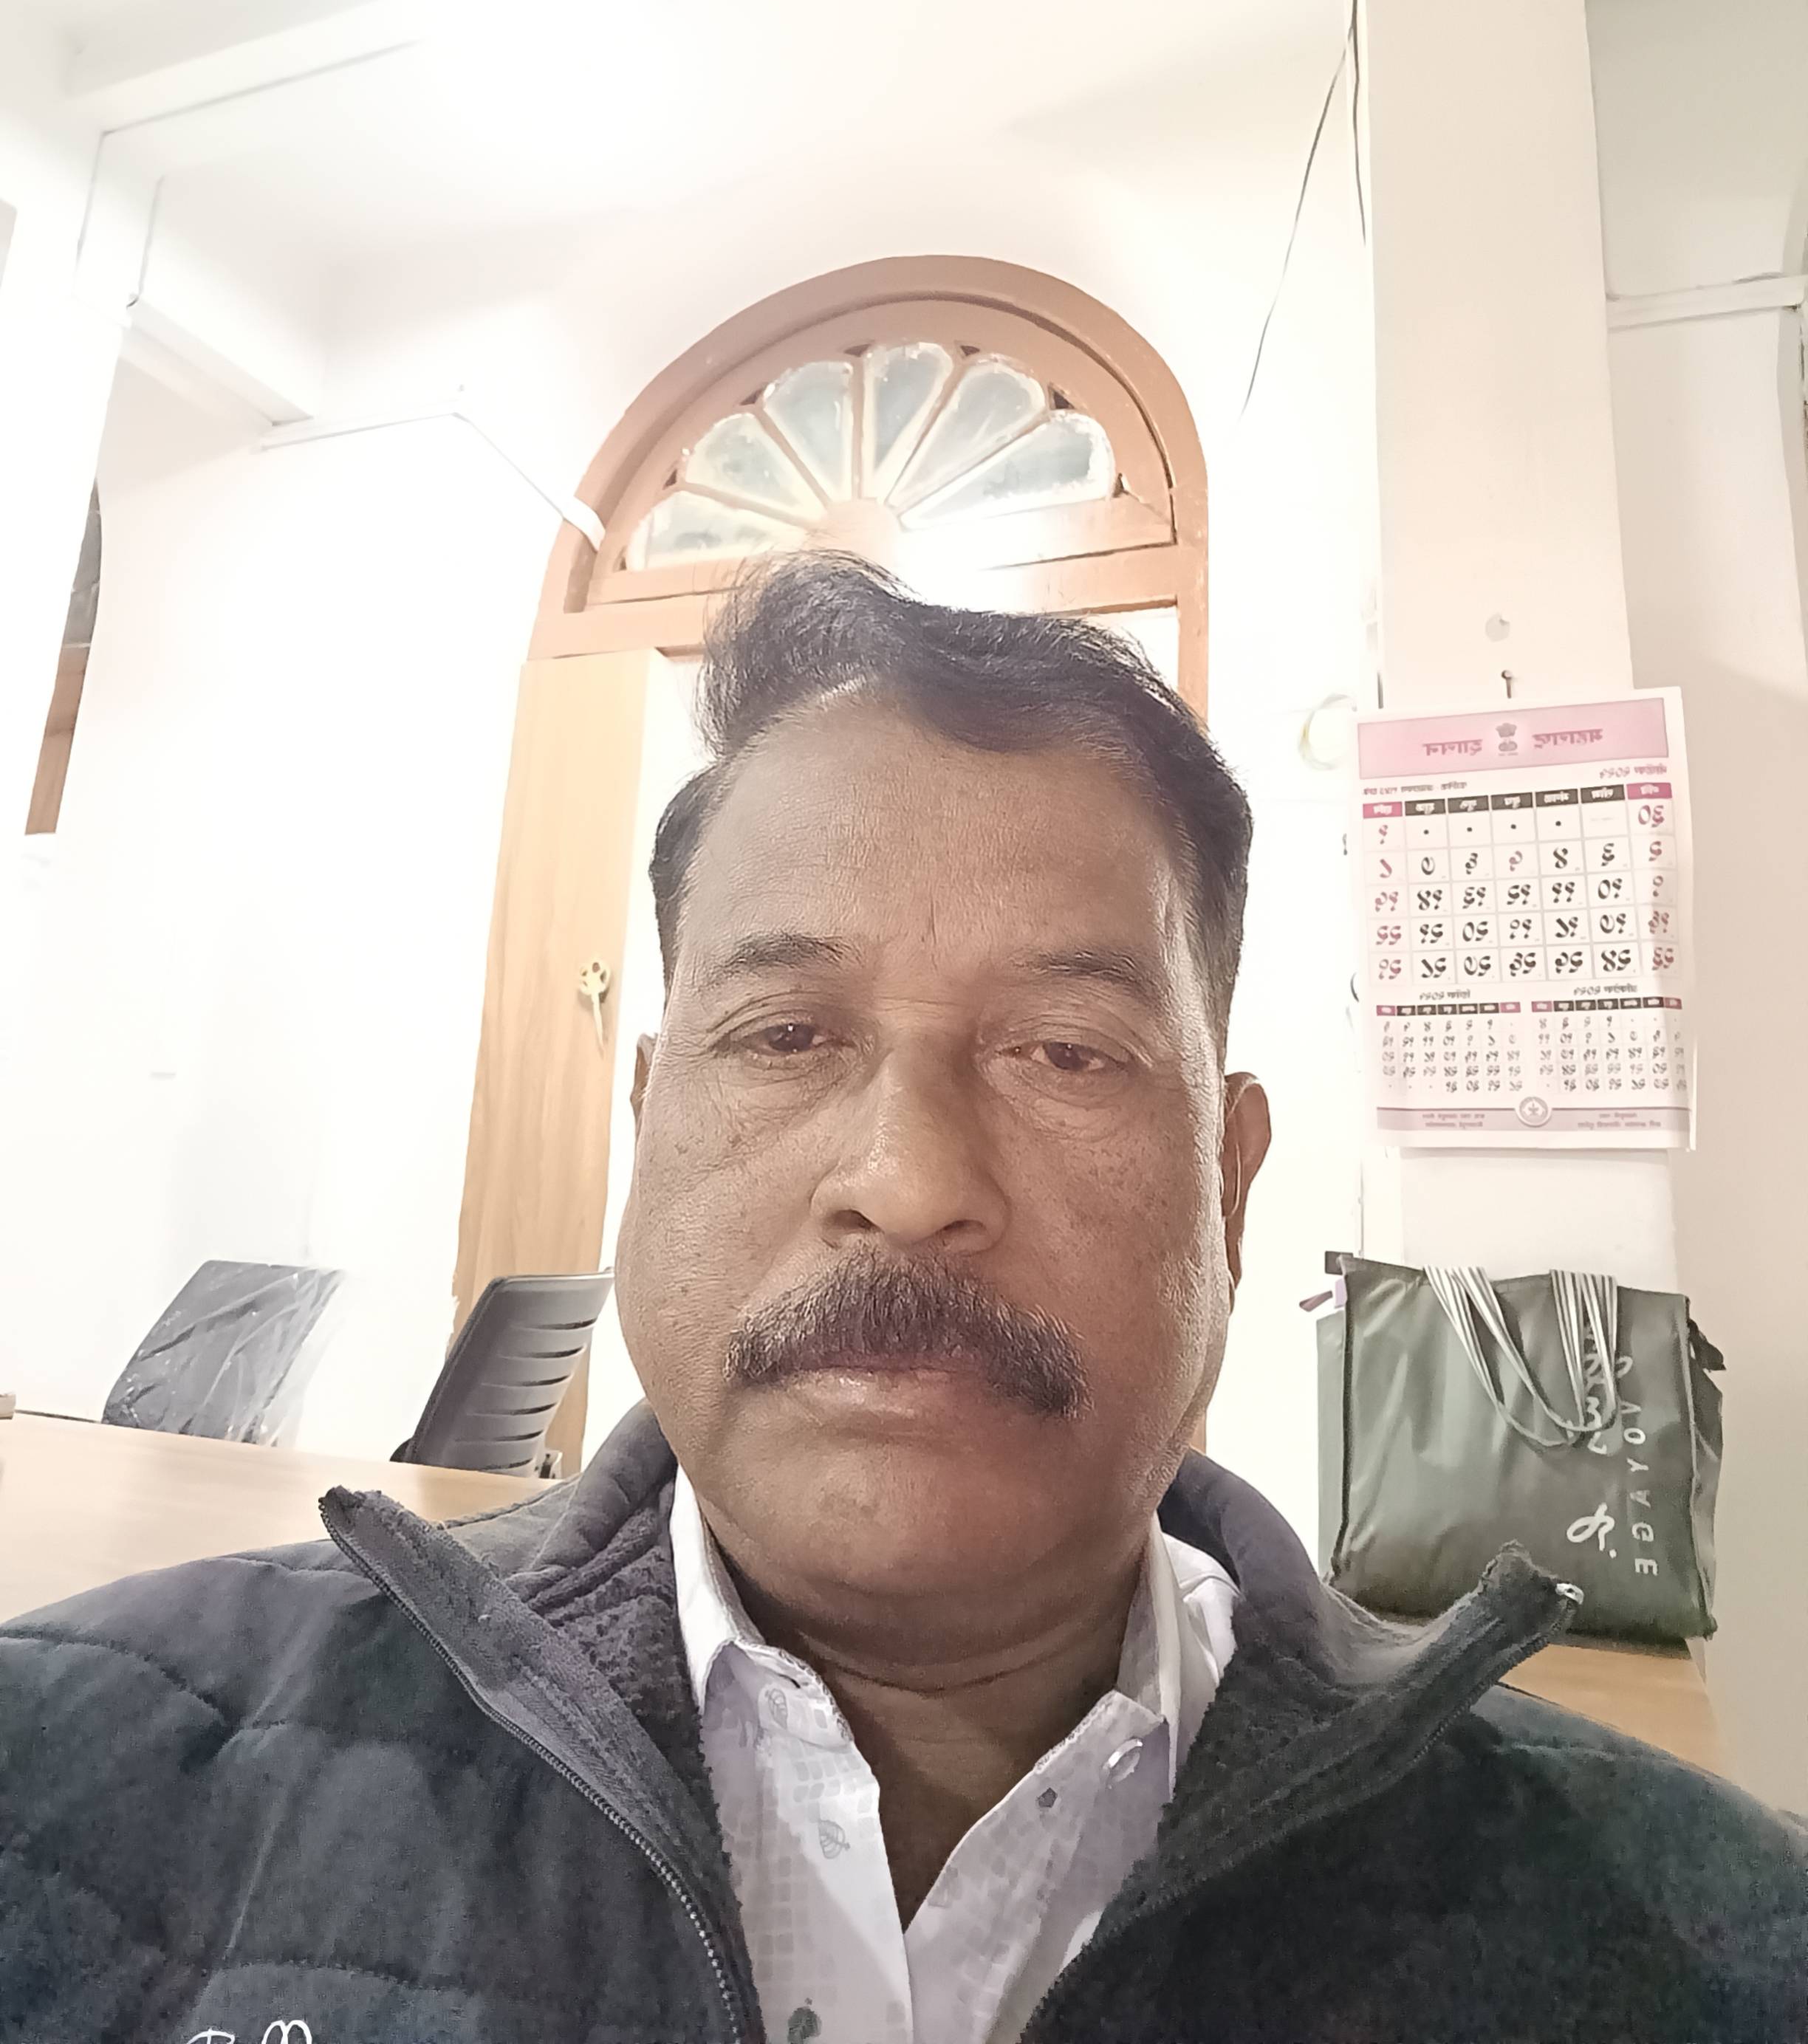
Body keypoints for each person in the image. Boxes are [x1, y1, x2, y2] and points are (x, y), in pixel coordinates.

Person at [1, 555, 1802, 2044]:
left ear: (1231, 1185)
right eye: (787, 1033)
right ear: (650, 1124)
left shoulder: (1713, 1949)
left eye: (1067, 1050)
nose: (910, 1175)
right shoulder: (69, 1776)